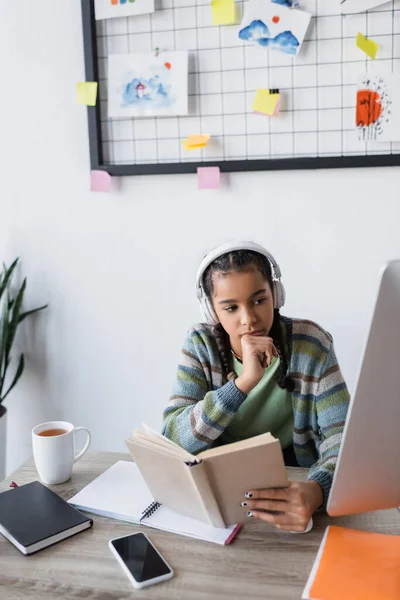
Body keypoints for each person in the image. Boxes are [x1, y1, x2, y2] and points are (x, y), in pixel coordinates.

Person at [162, 241, 350, 532]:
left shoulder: (311, 343)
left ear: (276, 295)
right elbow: (173, 439)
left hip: (297, 477)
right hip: (225, 486)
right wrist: (241, 384)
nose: (248, 319)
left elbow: (342, 436)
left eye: (259, 300)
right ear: (211, 311)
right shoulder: (200, 345)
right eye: (231, 308)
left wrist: (318, 488)